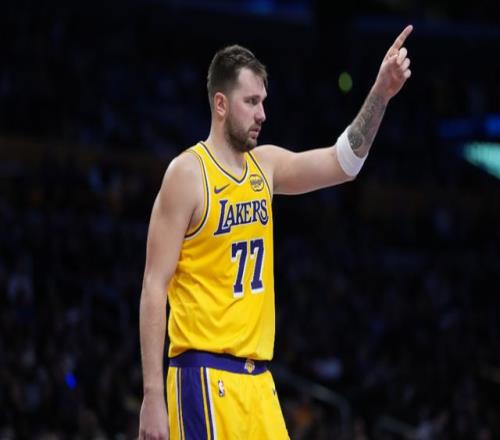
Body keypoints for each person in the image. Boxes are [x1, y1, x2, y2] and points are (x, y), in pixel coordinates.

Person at [138, 25, 413, 440]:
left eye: (263, 101)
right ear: (220, 104)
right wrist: (152, 394)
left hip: (259, 382)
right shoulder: (187, 173)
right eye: (251, 101)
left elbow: (345, 162)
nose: (262, 113)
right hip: (204, 375)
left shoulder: (265, 167)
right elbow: (153, 286)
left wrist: (381, 93)